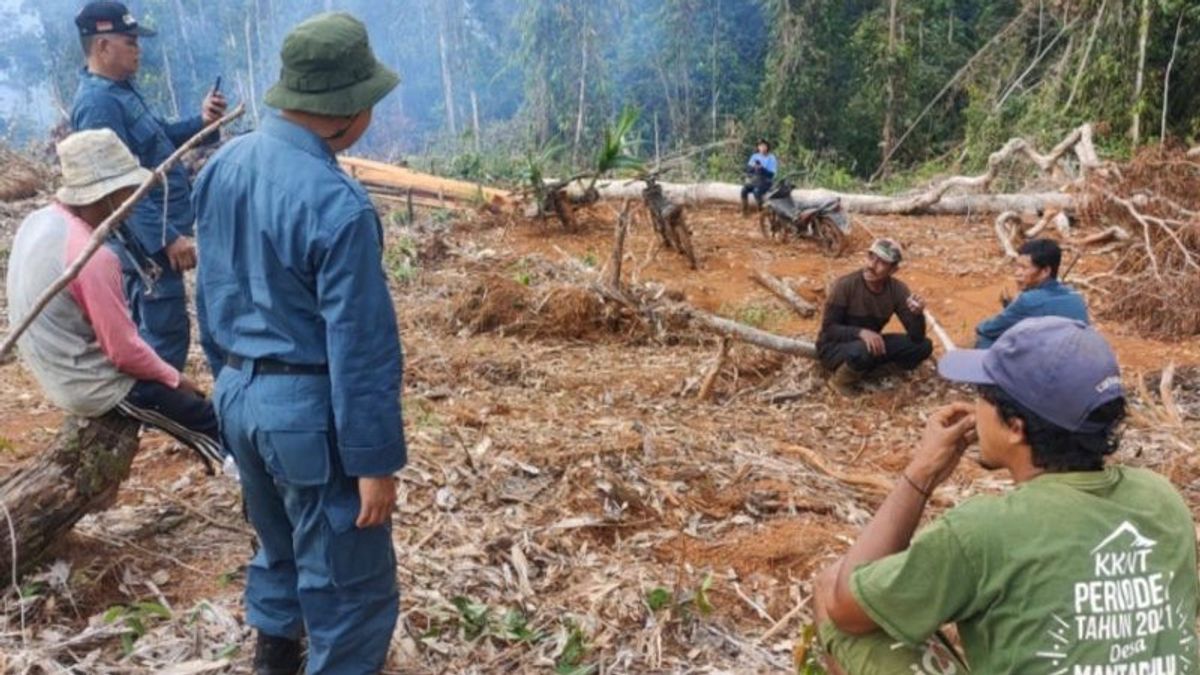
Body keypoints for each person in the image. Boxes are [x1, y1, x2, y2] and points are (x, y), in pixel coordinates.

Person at [193, 12, 405, 675]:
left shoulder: (221, 166)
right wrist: (374, 460)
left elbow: (208, 297)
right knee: (352, 585)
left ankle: (274, 656)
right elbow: (361, 348)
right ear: (346, 109)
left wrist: (228, 384)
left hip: (238, 395)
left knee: (278, 541)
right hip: (307, 415)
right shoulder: (337, 204)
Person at [813, 317, 1199, 674]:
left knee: (835, 593)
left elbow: (846, 607)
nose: (975, 405)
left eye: (983, 394)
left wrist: (920, 474)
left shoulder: (984, 530)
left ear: (1014, 427)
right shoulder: (1160, 496)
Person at [5, 129, 223, 473]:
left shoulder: (39, 221)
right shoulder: (93, 257)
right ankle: (247, 474)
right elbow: (123, 351)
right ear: (108, 194)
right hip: (92, 385)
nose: (133, 200)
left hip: (55, 367)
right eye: (127, 191)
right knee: (207, 420)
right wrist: (175, 379)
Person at [70, 1, 227, 371]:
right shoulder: (98, 104)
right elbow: (115, 189)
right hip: (143, 253)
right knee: (160, 346)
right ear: (102, 46)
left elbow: (162, 141)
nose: (138, 49)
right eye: (130, 42)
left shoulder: (121, 92)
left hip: (154, 245)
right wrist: (166, 237)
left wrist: (203, 122)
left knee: (163, 342)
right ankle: (128, 427)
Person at [818, 238, 932, 396]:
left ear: (893, 270)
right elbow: (829, 329)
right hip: (834, 348)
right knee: (864, 350)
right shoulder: (845, 285)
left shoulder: (897, 290)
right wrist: (861, 333)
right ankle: (841, 381)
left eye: (882, 262)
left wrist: (917, 315)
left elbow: (917, 337)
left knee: (924, 346)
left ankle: (873, 372)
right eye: (871, 257)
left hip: (870, 344)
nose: (871, 265)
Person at [975, 237, 1089, 347]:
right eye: (1017, 266)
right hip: (1077, 358)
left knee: (986, 338)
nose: (1017, 273)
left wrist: (981, 326)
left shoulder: (1028, 301)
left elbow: (990, 329)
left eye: (1024, 268)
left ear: (1045, 271)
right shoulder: (1075, 296)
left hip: (1047, 363)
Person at [741, 138, 777, 215]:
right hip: (755, 180)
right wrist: (754, 167)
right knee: (744, 190)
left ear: (767, 147)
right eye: (760, 146)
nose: (762, 148)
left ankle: (761, 212)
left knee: (756, 191)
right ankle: (745, 211)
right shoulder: (754, 156)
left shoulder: (771, 158)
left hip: (766, 180)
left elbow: (771, 174)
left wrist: (762, 169)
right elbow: (748, 169)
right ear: (758, 147)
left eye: (764, 146)